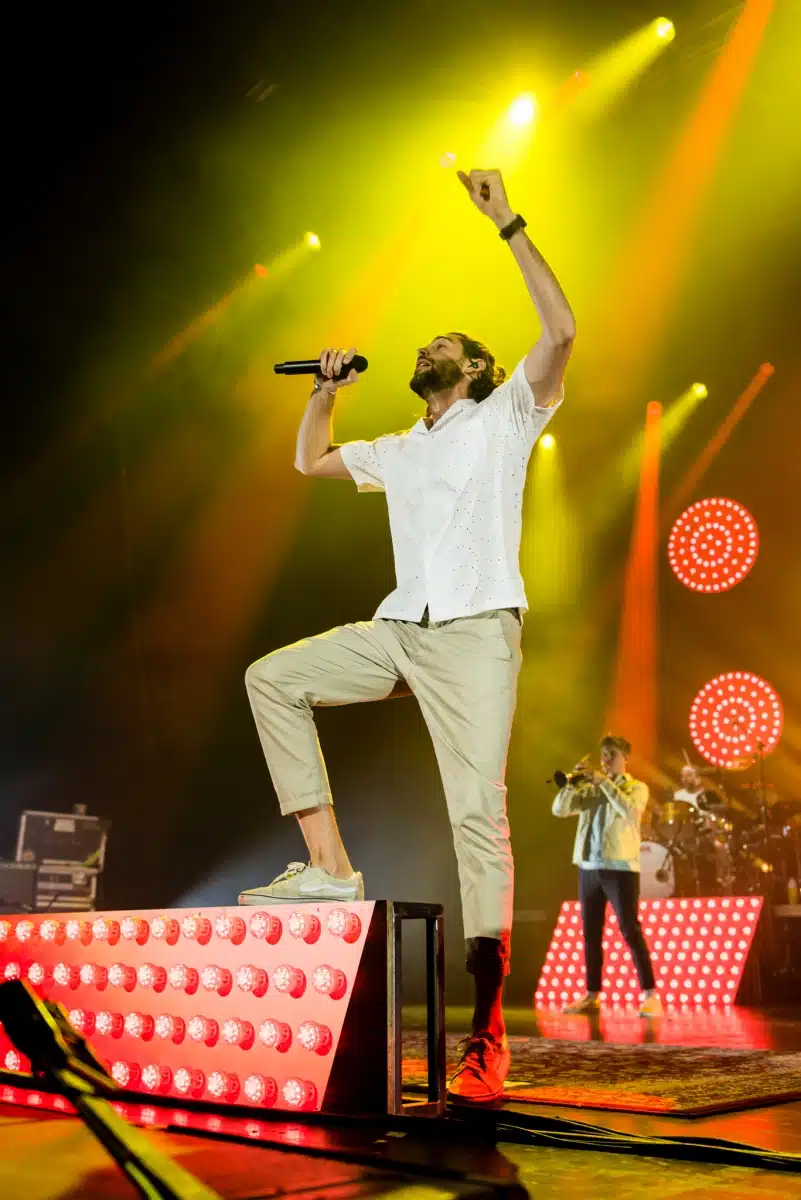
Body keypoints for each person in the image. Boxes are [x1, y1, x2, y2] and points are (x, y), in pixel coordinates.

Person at [241, 168, 575, 1103]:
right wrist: (325, 389)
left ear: (474, 368)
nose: (426, 347)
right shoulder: (399, 447)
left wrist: (507, 222)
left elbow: (560, 332)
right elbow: (310, 458)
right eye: (424, 343)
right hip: (399, 628)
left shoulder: (507, 415)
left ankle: (487, 1034)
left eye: (444, 344)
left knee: (476, 814)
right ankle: (329, 868)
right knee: (271, 678)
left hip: (475, 633)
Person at [552, 734, 663, 1018]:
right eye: (603, 754)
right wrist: (571, 784)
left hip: (620, 868)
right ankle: (592, 995)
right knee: (590, 933)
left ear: (625, 757)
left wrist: (604, 783)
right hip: (588, 866)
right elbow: (559, 810)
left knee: (630, 929)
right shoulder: (591, 789)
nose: (606, 760)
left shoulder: (637, 787)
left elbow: (629, 811)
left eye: (612, 754)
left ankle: (651, 995)